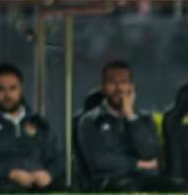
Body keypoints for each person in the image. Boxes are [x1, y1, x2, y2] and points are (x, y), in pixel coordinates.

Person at [78, 61, 185, 191]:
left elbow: (151, 152)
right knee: (128, 188)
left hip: (146, 178)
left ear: (131, 87)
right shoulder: (90, 121)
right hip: (110, 180)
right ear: (103, 86)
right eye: (112, 82)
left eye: (123, 82)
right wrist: (138, 164)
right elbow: (99, 161)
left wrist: (131, 117)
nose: (119, 88)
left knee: (177, 186)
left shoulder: (144, 118)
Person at [0, 63, 63, 192]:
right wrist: (10, 173)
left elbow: (57, 159)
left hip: (40, 187)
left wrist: (48, 174)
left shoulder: (39, 123)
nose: (7, 95)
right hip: (2, 187)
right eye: (1, 89)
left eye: (12, 88)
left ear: (21, 89)